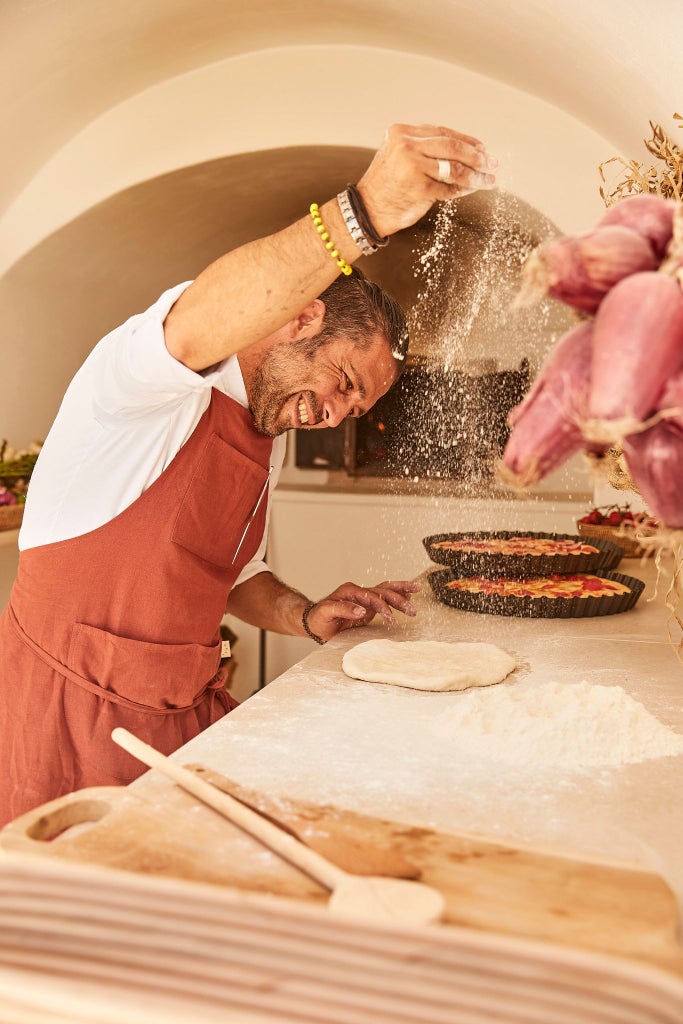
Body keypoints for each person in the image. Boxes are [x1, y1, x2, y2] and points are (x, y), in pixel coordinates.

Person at [0, 123, 497, 824]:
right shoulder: (142, 388)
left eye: (356, 407)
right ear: (300, 318)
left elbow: (229, 576)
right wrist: (363, 212)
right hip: (65, 719)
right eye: (343, 381)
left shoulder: (266, 426)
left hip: (177, 717)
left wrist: (305, 614)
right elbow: (210, 311)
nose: (336, 415)